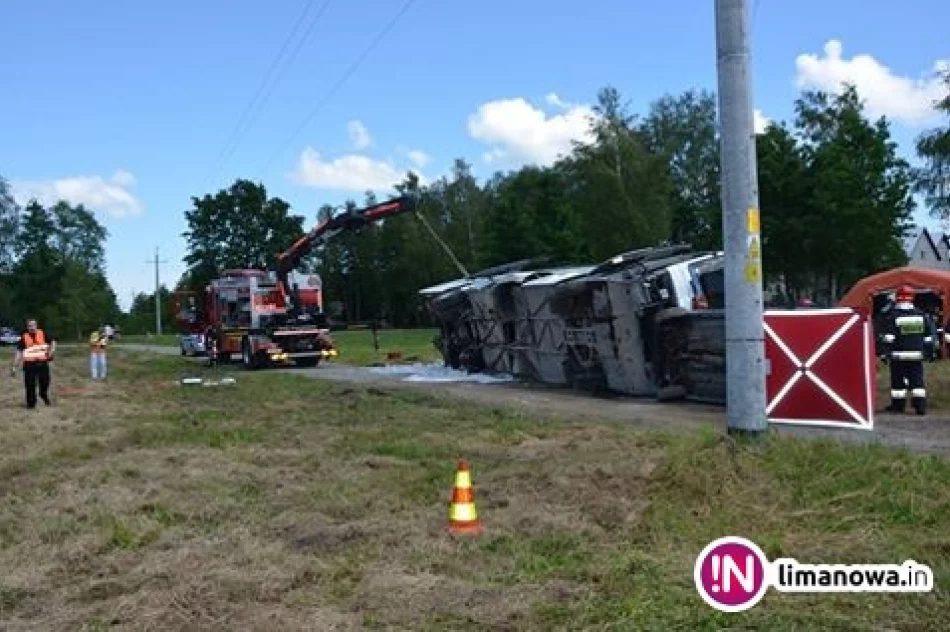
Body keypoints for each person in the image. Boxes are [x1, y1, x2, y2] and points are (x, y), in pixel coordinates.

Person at [879, 285, 937, 415]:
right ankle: (920, 407)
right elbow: (928, 337)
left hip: (898, 355)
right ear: (912, 299)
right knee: (917, 380)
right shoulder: (921, 315)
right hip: (916, 355)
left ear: (898, 299)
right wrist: (929, 352)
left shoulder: (893, 316)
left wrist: (885, 353)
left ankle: (898, 406)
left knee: (898, 381)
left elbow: (889, 338)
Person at [11, 318, 56, 409]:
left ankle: (43, 394)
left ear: (36, 325)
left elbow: (53, 341)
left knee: (45, 382)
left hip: (42, 363)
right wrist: (14, 366)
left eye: (33, 325)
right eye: (29, 325)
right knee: (30, 385)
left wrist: (51, 351)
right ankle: (31, 405)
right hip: (29, 365)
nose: (31, 327)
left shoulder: (42, 333)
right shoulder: (24, 337)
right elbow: (19, 352)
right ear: (27, 327)